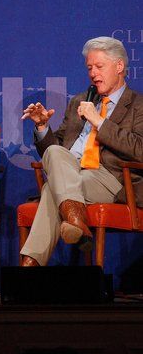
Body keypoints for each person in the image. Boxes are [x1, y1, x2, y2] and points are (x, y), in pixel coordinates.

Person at [20, 36, 143, 266]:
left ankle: (29, 267)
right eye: (89, 68)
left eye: (99, 66)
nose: (93, 73)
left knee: (52, 188)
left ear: (119, 67)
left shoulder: (138, 105)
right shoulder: (80, 101)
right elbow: (53, 153)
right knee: (56, 154)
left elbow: (140, 149)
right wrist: (42, 126)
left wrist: (100, 122)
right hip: (73, 174)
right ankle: (75, 220)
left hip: (112, 179)